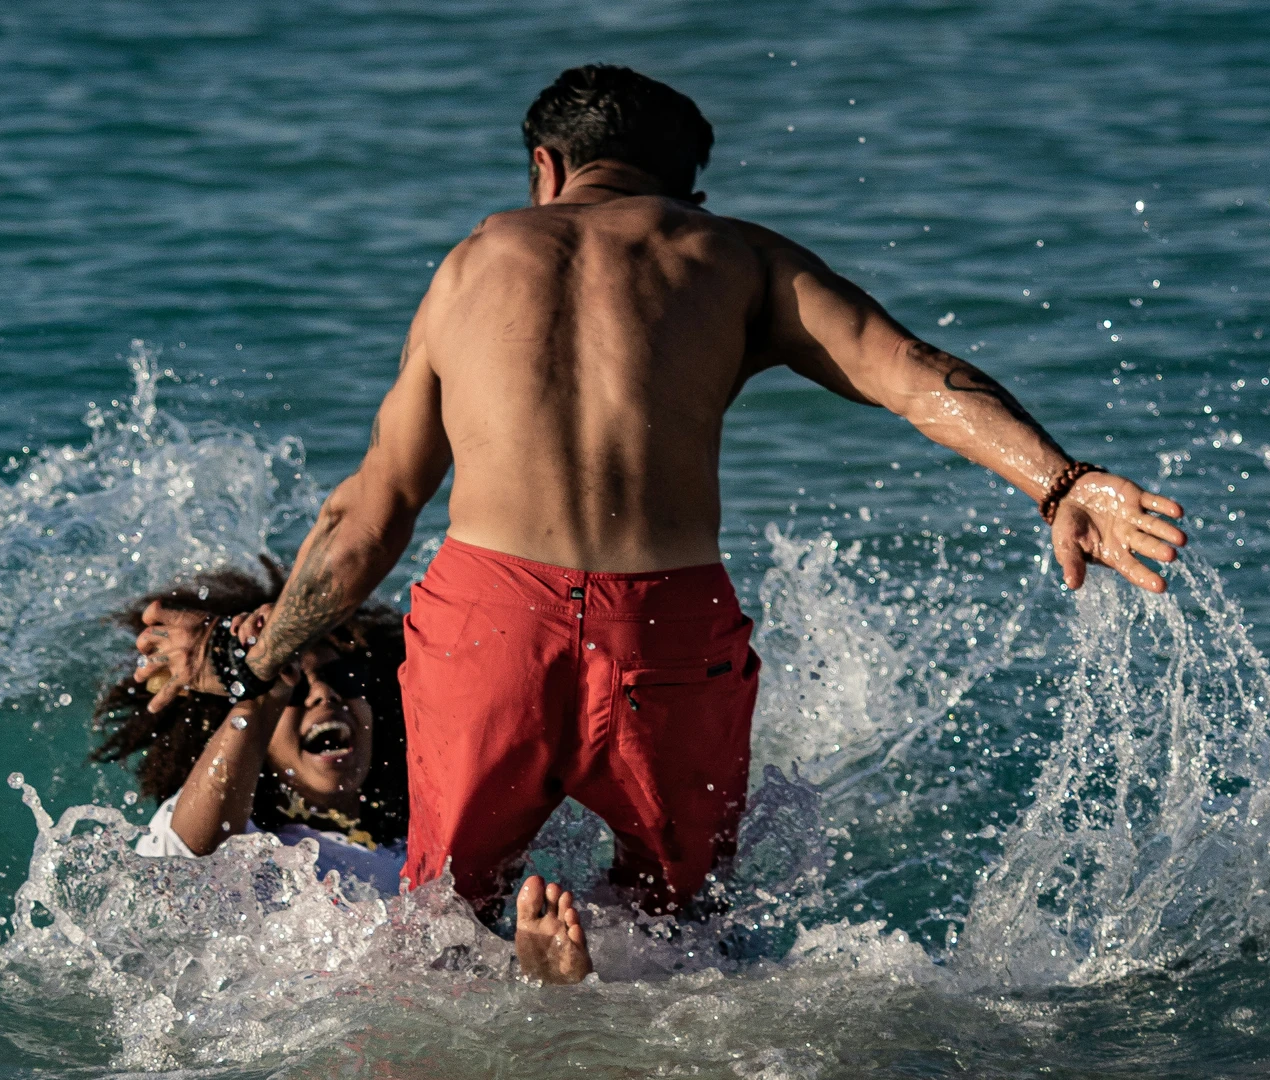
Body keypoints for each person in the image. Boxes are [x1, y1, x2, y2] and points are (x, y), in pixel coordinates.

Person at [139, 64, 1188, 983]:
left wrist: (259, 661)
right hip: (667, 632)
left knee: (433, 931)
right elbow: (916, 379)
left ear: (545, 168)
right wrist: (1060, 483)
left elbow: (372, 513)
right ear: (689, 187)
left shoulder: (475, 264)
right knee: (686, 931)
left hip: (491, 621)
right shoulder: (735, 256)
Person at [95, 564, 410, 891]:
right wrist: (261, 683)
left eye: (344, 676)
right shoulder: (255, 849)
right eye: (296, 688)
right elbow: (189, 861)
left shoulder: (420, 824)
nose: (324, 695)